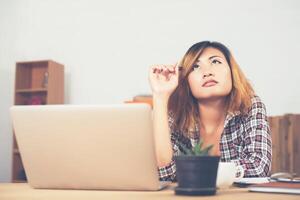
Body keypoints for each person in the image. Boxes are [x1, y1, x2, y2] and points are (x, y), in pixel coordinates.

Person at [148, 41, 272, 181]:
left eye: (215, 62)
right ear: (186, 81)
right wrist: (160, 96)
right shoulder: (175, 115)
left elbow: (259, 166)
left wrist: (192, 171)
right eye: (195, 66)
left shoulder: (251, 105)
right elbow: (164, 172)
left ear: (232, 71)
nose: (207, 72)